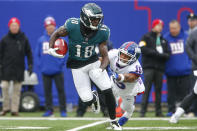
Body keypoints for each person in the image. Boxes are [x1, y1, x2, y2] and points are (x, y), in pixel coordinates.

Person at [47, 3, 122, 130]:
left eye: (98, 19)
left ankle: (114, 121)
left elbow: (105, 56)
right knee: (86, 99)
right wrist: (50, 47)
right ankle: (93, 98)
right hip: (76, 66)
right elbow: (56, 33)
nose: (97, 21)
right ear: (85, 17)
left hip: (92, 62)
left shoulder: (103, 31)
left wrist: (101, 69)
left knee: (107, 89)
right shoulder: (72, 25)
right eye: (94, 19)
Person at [0, 17, 33, 116]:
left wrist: (30, 65)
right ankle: (5, 108)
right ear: (9, 27)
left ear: (19, 26)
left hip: (19, 68)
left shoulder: (24, 38)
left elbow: (29, 53)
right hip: (6, 68)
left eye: (16, 26)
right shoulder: (4, 39)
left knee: (17, 90)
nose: (14, 27)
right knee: (4, 87)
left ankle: (14, 110)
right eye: (12, 26)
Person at [35, 16, 67, 117]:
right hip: (45, 70)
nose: (50, 28)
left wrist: (60, 64)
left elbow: (66, 53)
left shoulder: (60, 39)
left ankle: (63, 110)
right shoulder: (41, 40)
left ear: (54, 26)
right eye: (48, 26)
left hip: (57, 70)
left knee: (61, 91)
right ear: (45, 27)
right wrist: (41, 66)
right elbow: (37, 54)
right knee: (47, 92)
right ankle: (49, 110)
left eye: (51, 25)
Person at [107, 41, 145, 126]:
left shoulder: (135, 67)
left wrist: (118, 77)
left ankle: (128, 114)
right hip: (114, 84)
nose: (122, 57)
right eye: (122, 54)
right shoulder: (114, 54)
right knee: (106, 90)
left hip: (127, 90)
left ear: (134, 58)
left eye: (127, 56)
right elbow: (102, 60)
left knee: (126, 108)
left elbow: (130, 77)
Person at [139, 19, 170, 117]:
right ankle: (142, 112)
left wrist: (160, 55)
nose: (159, 27)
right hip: (149, 68)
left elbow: (167, 54)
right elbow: (143, 49)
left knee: (158, 90)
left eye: (161, 26)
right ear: (153, 26)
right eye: (158, 25)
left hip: (159, 69)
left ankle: (158, 112)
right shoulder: (146, 37)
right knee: (146, 89)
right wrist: (157, 53)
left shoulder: (163, 40)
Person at [164, 20, 192, 117]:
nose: (173, 30)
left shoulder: (187, 36)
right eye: (171, 28)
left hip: (185, 70)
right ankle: (171, 110)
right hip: (170, 71)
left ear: (179, 27)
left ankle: (186, 111)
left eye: (175, 28)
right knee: (171, 94)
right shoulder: (165, 38)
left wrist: (189, 63)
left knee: (185, 93)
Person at [185, 13, 197, 117]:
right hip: (195, 66)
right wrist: (194, 58)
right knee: (194, 88)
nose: (191, 22)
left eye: (193, 20)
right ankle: (193, 110)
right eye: (190, 20)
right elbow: (187, 47)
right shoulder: (191, 33)